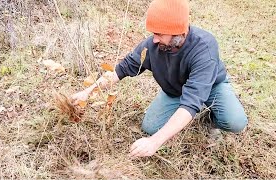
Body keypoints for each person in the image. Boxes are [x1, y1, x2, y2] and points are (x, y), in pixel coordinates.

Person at [71, 0, 248, 158]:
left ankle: (212, 119)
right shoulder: (152, 46)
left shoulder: (204, 48)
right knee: (151, 128)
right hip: (175, 91)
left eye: (160, 34)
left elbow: (192, 101)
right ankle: (181, 116)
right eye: (154, 33)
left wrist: (154, 142)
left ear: (179, 33)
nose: (154, 39)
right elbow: (121, 69)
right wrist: (88, 91)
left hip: (211, 87)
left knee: (235, 121)